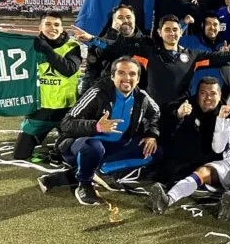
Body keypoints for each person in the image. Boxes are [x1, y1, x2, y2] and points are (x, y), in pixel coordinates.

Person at [74, 15, 230, 108]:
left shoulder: (192, 55)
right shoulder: (149, 51)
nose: (172, 33)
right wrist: (92, 39)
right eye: (167, 29)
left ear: (180, 31)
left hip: (179, 109)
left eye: (176, 29)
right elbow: (117, 47)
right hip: (151, 109)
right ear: (160, 32)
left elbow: (221, 57)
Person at [40, 57, 160, 206]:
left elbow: (155, 113)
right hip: (80, 145)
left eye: (132, 74)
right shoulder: (98, 92)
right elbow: (66, 123)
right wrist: (96, 126)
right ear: (112, 76)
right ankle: (84, 184)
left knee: (154, 151)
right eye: (121, 73)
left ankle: (96, 172)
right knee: (94, 147)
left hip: (114, 146)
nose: (126, 78)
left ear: (138, 78)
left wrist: (151, 134)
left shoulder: (141, 97)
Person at [149, 82, 230, 220]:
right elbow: (218, 148)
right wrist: (220, 120)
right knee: (203, 171)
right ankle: (168, 199)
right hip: (228, 164)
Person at [0, 13, 82, 161]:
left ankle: (61, 144)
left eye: (56, 25)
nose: (52, 28)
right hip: (39, 111)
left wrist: (47, 50)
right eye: (48, 24)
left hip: (67, 113)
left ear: (62, 29)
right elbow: (3, 50)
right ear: (40, 27)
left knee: (74, 153)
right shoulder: (30, 46)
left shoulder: (72, 47)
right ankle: (56, 142)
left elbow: (68, 69)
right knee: (20, 154)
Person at [154, 77, 223, 184]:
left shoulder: (226, 113)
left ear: (220, 95)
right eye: (203, 93)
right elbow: (163, 122)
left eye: (213, 93)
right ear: (197, 95)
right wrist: (178, 115)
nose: (208, 97)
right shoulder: (186, 105)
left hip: (210, 161)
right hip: (183, 158)